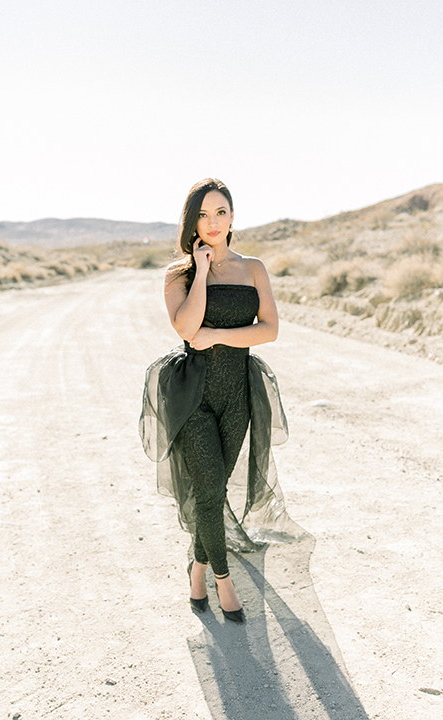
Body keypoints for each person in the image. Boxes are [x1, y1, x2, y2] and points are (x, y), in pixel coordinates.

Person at [139, 178, 303, 625]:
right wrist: (202, 270)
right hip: (190, 395)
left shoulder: (254, 268)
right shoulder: (179, 274)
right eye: (204, 215)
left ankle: (197, 568)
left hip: (238, 394)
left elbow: (269, 330)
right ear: (192, 222)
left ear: (233, 217)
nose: (213, 223)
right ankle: (223, 582)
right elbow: (187, 329)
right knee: (209, 489)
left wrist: (219, 336)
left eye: (221, 213)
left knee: (211, 493)